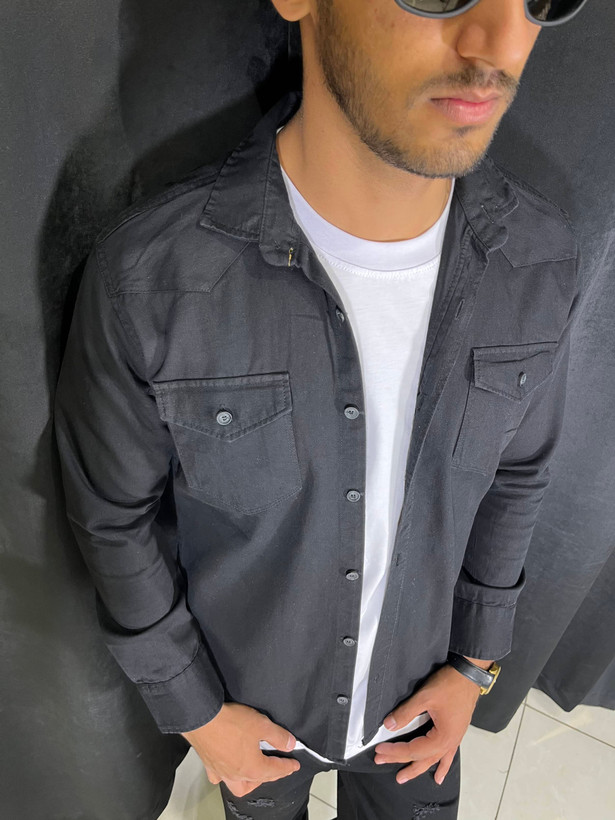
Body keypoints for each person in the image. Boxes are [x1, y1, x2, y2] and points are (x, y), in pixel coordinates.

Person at [53, 0, 587, 818]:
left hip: (422, 709)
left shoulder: (540, 263)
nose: (501, 44)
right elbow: (112, 520)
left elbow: (517, 476)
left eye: (537, 0)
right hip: (254, 716)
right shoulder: (152, 281)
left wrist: (475, 665)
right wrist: (195, 712)